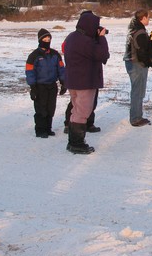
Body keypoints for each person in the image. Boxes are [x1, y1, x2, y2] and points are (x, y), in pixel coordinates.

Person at [63, 11, 110, 154]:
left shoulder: (72, 37)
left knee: (75, 110)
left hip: (73, 81)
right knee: (82, 112)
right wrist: (101, 38)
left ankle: (73, 142)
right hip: (84, 82)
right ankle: (77, 143)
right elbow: (103, 55)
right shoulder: (85, 41)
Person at [25, 28, 66, 138]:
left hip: (52, 85)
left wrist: (63, 82)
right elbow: (30, 72)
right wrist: (33, 87)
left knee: (50, 108)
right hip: (40, 86)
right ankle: (40, 130)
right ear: (40, 39)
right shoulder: (34, 55)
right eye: (45, 38)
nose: (47, 40)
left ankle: (48, 128)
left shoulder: (55, 54)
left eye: (49, 38)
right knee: (41, 108)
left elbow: (61, 69)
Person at [123, 9, 151, 127]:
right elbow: (142, 51)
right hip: (136, 64)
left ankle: (136, 116)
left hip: (130, 61)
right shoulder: (140, 32)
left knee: (136, 91)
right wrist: (147, 62)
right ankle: (136, 118)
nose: (149, 19)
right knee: (138, 91)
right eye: (148, 17)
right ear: (143, 18)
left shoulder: (132, 29)